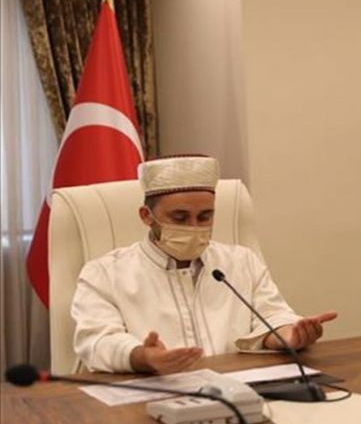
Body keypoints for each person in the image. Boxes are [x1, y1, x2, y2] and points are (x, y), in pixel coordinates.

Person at [72, 155, 337, 374]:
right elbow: (96, 341)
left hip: (241, 390)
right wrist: (143, 357)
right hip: (154, 395)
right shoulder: (104, 273)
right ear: (146, 216)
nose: (194, 227)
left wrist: (287, 335)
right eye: (180, 217)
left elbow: (272, 315)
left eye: (204, 217)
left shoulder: (241, 262)